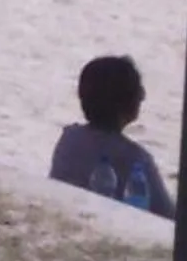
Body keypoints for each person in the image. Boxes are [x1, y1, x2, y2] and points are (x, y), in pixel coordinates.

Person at [49, 55, 175, 218]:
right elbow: (167, 216)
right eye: (138, 90)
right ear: (128, 100)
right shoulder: (136, 159)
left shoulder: (69, 139)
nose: (143, 96)